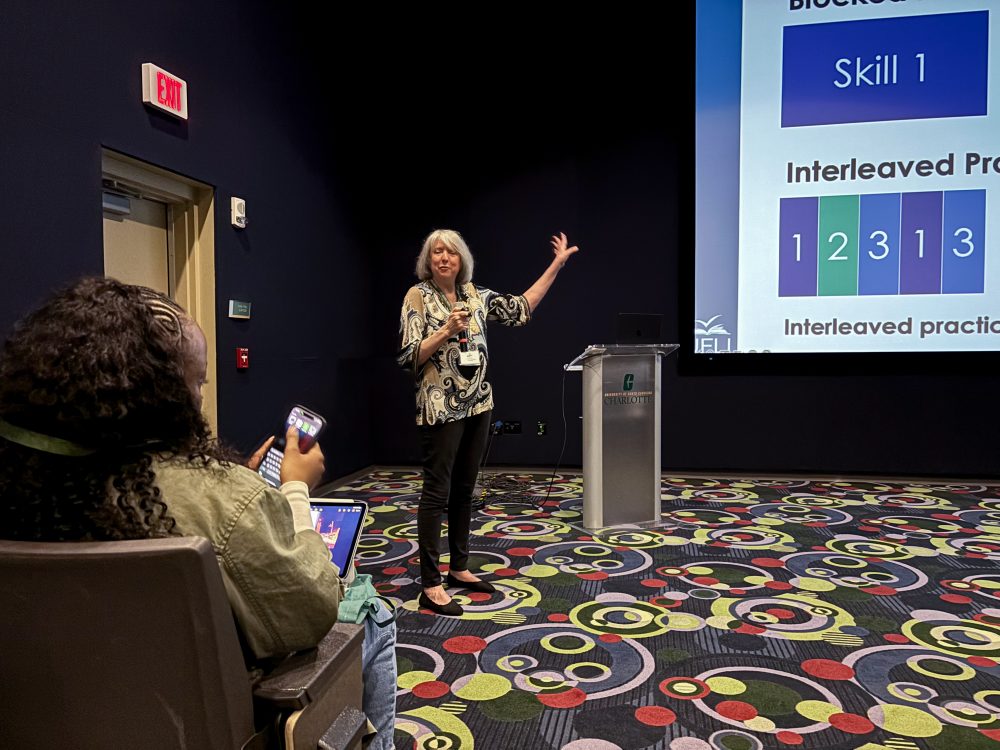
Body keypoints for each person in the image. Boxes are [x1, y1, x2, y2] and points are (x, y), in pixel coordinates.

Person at [0, 277, 396, 748]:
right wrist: (293, 488)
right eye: (198, 380)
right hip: (213, 725)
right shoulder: (221, 498)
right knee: (372, 612)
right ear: (161, 393)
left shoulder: (20, 483)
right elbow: (314, 606)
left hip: (55, 722)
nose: (201, 394)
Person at [397, 229, 579, 615]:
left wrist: (557, 265)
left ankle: (458, 567)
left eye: (451, 252)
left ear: (462, 259)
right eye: (436, 252)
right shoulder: (418, 296)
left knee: (465, 489)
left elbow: (521, 308)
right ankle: (430, 584)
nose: (443, 258)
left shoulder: (475, 294)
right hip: (440, 408)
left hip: (479, 404)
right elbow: (409, 356)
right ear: (428, 260)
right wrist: (446, 331)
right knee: (436, 493)